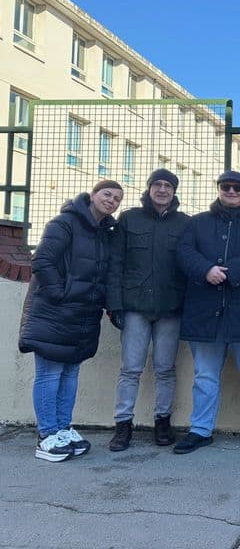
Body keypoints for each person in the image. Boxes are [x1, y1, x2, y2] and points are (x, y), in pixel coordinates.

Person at [173, 171, 240, 455]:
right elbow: (183, 252)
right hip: (205, 312)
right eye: (226, 186)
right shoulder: (197, 222)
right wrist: (205, 270)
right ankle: (200, 429)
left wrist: (230, 273)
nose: (231, 191)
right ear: (218, 189)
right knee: (205, 377)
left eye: (237, 187)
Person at [19, 180, 124, 462]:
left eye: (117, 198)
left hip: (82, 315)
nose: (111, 201)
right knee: (50, 373)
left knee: (70, 374)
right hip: (56, 311)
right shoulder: (64, 223)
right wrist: (59, 294)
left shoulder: (105, 233)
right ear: (92, 195)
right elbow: (42, 261)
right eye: (107, 194)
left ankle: (63, 429)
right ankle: (47, 436)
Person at [106, 168, 190, 451]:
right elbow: (115, 262)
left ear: (174, 191)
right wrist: (114, 304)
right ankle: (122, 425)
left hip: (170, 308)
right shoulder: (129, 218)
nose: (163, 190)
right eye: (158, 185)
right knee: (130, 369)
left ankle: (162, 422)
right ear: (149, 188)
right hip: (134, 307)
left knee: (165, 369)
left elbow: (190, 266)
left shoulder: (184, 223)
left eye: (168, 185)